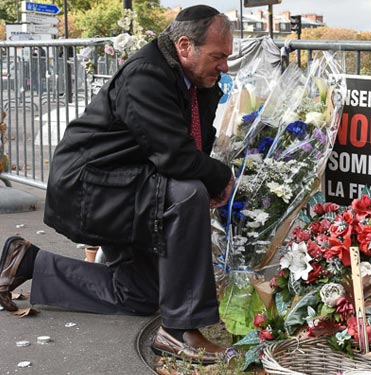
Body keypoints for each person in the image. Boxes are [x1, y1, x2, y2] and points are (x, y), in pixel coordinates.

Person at [0, 5, 236, 365]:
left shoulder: (198, 81)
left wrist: (211, 173)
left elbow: (195, 144)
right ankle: (180, 332)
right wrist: (221, 178)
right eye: (218, 56)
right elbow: (175, 156)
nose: (224, 66)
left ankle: (27, 262)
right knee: (188, 194)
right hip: (92, 188)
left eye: (227, 58)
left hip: (130, 187)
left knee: (141, 296)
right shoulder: (146, 75)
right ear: (185, 46)